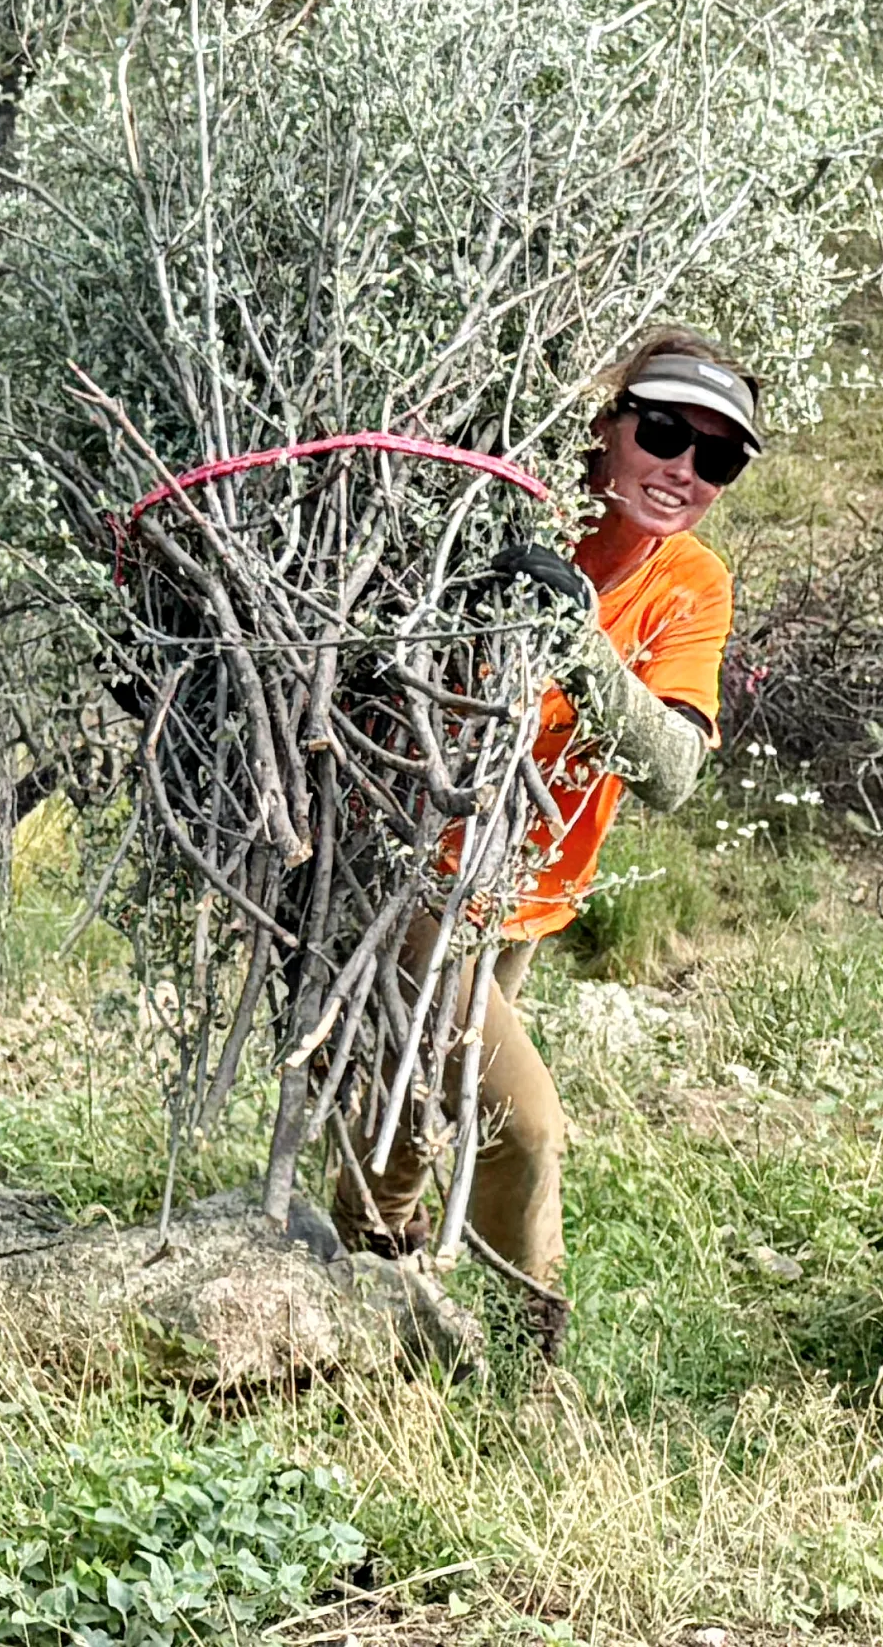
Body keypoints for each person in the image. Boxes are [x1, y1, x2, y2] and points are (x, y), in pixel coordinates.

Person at [333, 326, 763, 1290]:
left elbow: (674, 769)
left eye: (718, 455)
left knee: (425, 1102)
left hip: (529, 893)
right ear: (607, 428)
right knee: (522, 1124)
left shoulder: (692, 582)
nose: (683, 470)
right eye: (661, 433)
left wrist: (577, 641)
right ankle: (537, 1355)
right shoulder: (497, 517)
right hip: (418, 877)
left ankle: (358, 1272)